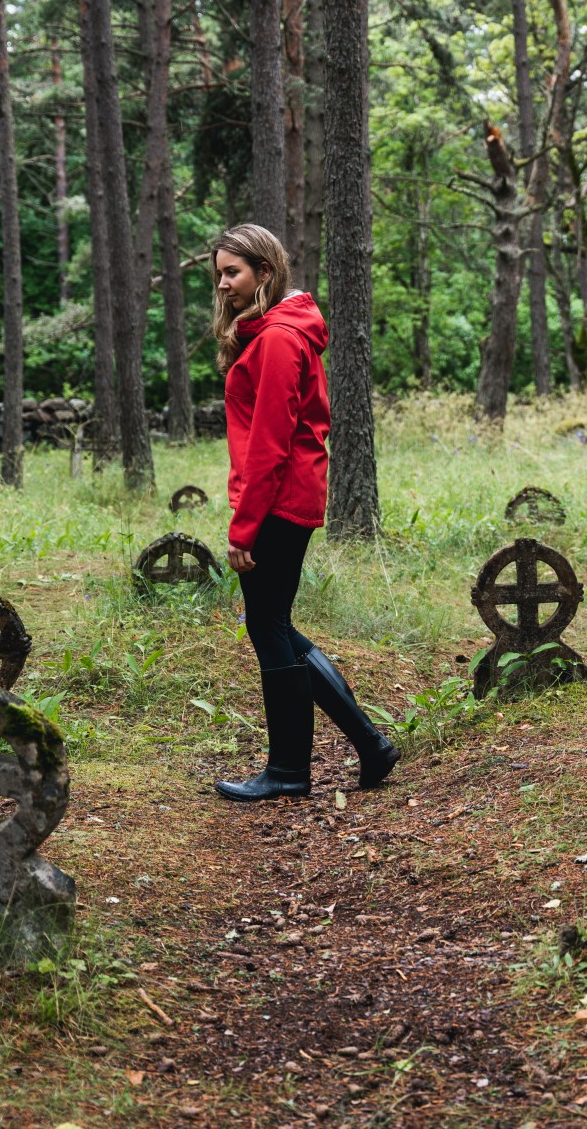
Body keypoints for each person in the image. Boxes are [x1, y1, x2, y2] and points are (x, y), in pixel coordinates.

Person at [208, 223, 398, 802]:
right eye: (218, 274)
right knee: (276, 625)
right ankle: (369, 745)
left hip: (279, 501)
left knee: (268, 626)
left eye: (232, 272)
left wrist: (244, 526)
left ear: (265, 271)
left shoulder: (279, 340)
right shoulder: (275, 333)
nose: (222, 285)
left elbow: (270, 442)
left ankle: (291, 771)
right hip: (286, 498)